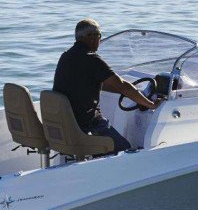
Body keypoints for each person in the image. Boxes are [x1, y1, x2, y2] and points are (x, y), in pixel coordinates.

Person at [52, 19, 161, 153]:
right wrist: (151, 104)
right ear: (91, 37)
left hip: (66, 121)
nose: (99, 39)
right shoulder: (91, 59)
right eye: (99, 35)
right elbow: (122, 85)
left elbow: (92, 83)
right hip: (88, 123)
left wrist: (130, 92)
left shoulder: (66, 56)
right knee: (124, 149)